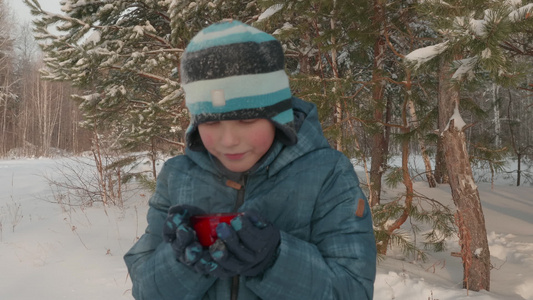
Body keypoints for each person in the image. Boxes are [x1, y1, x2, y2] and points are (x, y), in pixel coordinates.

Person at [124, 20, 376, 300]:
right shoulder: (177, 176)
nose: (229, 139)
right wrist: (181, 261)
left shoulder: (327, 175)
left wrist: (275, 260)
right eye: (211, 122)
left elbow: (354, 291)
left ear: (277, 117)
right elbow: (145, 289)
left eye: (247, 119)